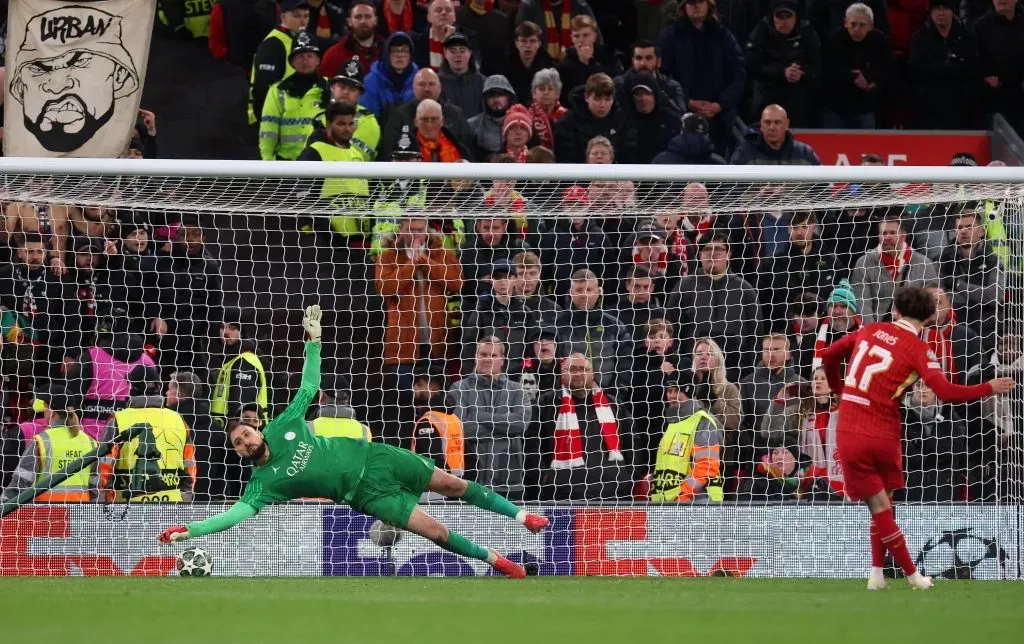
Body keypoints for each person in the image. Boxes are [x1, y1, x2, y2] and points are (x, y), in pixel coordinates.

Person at [158, 308, 548, 579]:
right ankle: (498, 561)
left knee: (452, 484)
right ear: (241, 453)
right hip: (365, 494)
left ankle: (523, 517)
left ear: (257, 430)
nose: (245, 441)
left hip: (377, 458)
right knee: (436, 532)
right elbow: (232, 517)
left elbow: (309, 385)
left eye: (246, 434)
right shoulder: (263, 485)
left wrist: (314, 341)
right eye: (239, 444)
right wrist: (190, 530)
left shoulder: (282, 425)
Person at [819, 285, 1015, 590]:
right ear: (929, 318)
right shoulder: (920, 349)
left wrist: (839, 390)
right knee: (884, 505)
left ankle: (878, 574)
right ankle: (910, 576)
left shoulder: (870, 329)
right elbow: (947, 391)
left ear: (896, 310)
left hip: (851, 428)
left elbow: (829, 355)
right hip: (884, 432)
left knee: (879, 506)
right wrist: (989, 387)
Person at [448, 336, 532, 501]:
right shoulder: (459, 388)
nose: (488, 359)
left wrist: (478, 416)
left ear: (502, 360)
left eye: (493, 355)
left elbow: (519, 424)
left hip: (509, 482)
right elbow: (459, 429)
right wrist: (504, 427)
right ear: (476, 357)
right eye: (483, 354)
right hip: (468, 482)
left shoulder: (518, 390)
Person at [97, 365, 197, 503]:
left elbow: (104, 468)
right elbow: (189, 468)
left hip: (127, 506)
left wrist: (105, 504)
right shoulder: (178, 420)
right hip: (171, 505)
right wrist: (185, 500)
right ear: (158, 387)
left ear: (132, 387)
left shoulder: (118, 420)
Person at [658, 0, 746, 153]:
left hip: (720, 119)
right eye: (691, 2)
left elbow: (738, 73)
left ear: (708, 5)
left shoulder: (722, 34)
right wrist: (687, 102)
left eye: (700, 1)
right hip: (680, 117)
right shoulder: (670, 36)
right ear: (683, 6)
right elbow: (663, 76)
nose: (696, 6)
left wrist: (720, 104)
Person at [0, 386, 97, 504]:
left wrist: (4, 504)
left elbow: (20, 483)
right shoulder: (90, 442)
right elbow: (95, 486)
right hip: (79, 511)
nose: (44, 410)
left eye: (45, 406)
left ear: (52, 412)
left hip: (47, 512)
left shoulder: (41, 441)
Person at [649, 369, 725, 503]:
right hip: (671, 502)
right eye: (669, 391)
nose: (672, 396)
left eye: (677, 391)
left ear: (689, 392)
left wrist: (683, 496)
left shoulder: (703, 421)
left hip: (698, 502)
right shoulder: (672, 422)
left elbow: (707, 465)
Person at [850, 213, 939, 325]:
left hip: (912, 330)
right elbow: (862, 306)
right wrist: (875, 332)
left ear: (903, 236)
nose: (887, 237)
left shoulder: (924, 263)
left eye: (892, 233)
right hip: (877, 330)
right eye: (884, 233)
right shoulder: (863, 263)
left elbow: (933, 303)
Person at [744, 0, 821, 127]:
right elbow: (751, 65)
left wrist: (800, 72)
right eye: (779, 17)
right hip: (766, 96)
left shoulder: (807, 31)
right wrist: (782, 72)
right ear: (773, 18)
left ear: (795, 17)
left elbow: (816, 64)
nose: (784, 21)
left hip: (799, 99)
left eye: (788, 17)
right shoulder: (762, 30)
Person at [907, 0, 981, 130]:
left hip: (961, 105)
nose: (941, 13)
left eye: (945, 8)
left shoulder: (966, 36)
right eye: (937, 9)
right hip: (929, 106)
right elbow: (916, 70)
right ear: (930, 12)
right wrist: (949, 65)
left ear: (952, 11)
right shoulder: (919, 38)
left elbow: (973, 67)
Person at [258, 33, 329, 161]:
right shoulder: (277, 91)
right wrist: (267, 161)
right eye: (300, 56)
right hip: (286, 163)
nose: (305, 61)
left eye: (309, 56)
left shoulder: (331, 88)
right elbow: (268, 129)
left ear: (318, 60)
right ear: (292, 62)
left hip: (321, 161)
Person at [822, 3, 892, 129]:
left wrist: (869, 78)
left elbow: (888, 69)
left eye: (862, 25)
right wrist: (852, 76)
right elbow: (826, 70)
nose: (856, 29)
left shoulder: (880, 40)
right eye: (853, 24)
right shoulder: (834, 39)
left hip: (866, 106)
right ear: (845, 23)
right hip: (836, 105)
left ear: (871, 26)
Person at [249, 0, 312, 124]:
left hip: (291, 116)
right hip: (272, 118)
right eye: (296, 16)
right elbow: (264, 89)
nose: (303, 21)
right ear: (283, 17)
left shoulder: (298, 39)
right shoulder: (274, 44)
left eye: (306, 16)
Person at [730, 104, 821, 165]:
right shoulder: (744, 153)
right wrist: (758, 190)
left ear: (786, 125)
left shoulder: (805, 153)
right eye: (767, 122)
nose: (772, 127)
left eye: (777, 122)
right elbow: (730, 186)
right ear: (761, 124)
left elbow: (822, 186)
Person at [360, 32, 419, 123]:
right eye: (394, 51)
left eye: (404, 51)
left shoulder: (419, 80)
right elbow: (367, 119)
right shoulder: (370, 82)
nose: (399, 55)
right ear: (386, 54)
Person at [319, 1, 384, 78]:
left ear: (375, 20)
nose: (363, 21)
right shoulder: (334, 55)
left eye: (368, 16)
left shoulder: (388, 51)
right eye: (358, 17)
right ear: (349, 22)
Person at [438, 32, 487, 118]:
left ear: (470, 53)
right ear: (445, 53)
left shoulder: (484, 82)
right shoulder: (436, 83)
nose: (458, 55)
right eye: (453, 51)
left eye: (462, 51)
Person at [506, 21, 555, 104]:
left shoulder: (549, 67)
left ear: (539, 44)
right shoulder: (505, 66)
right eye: (523, 41)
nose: (528, 45)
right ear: (516, 43)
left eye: (532, 41)